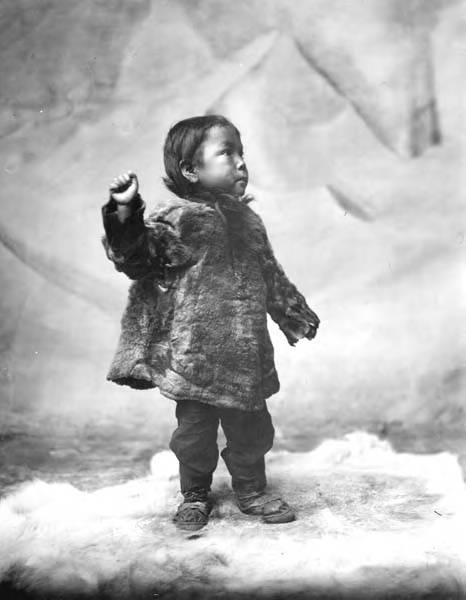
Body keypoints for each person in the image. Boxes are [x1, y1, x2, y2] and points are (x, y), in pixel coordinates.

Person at [101, 115, 320, 531]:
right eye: (227, 153)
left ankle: (252, 490)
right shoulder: (178, 218)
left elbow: (270, 273)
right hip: (195, 354)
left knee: (252, 429)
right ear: (191, 170)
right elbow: (137, 257)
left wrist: (294, 313)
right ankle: (195, 493)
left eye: (242, 154)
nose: (241, 163)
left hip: (246, 353)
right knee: (194, 433)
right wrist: (125, 211)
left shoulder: (250, 224)